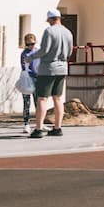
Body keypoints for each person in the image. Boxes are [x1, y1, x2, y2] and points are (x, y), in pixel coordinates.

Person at [30, 10, 74, 139]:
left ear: (50, 19)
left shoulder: (49, 31)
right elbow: (70, 51)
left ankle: (38, 128)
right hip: (62, 68)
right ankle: (57, 127)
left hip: (48, 68)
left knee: (42, 98)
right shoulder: (68, 32)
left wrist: (31, 57)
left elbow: (44, 50)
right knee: (58, 98)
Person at [19, 33, 40, 133]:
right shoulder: (24, 54)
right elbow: (24, 67)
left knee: (38, 103)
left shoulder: (38, 52)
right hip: (28, 79)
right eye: (28, 44)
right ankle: (26, 124)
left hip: (37, 80)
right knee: (26, 103)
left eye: (32, 44)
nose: (30, 46)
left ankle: (39, 123)